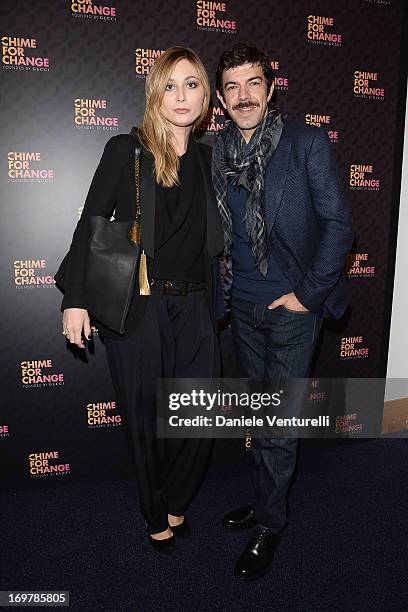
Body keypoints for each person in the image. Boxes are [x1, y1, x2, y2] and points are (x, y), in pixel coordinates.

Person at [55, 46, 224, 552]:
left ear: (205, 96)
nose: (181, 95)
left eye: (191, 84)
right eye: (169, 85)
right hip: (140, 302)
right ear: (155, 93)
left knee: (199, 412)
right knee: (147, 415)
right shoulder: (126, 150)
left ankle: (175, 498)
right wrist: (75, 299)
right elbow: (91, 225)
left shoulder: (211, 156)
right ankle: (155, 512)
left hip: (196, 303)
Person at [212, 43, 353, 580]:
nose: (243, 96)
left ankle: (270, 523)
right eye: (232, 87)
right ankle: (264, 500)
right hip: (242, 306)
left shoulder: (305, 143)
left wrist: (308, 296)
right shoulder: (218, 151)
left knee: (277, 422)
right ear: (221, 100)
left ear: (271, 89)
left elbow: (340, 225)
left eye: (253, 83)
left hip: (293, 307)